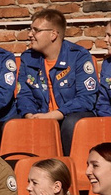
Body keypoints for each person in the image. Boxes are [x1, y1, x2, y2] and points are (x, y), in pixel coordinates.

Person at [11, 9, 98, 150]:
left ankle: (70, 167)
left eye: (36, 30)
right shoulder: (28, 58)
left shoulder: (79, 56)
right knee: (12, 124)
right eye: (30, 29)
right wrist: (30, 115)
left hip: (69, 115)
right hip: (40, 114)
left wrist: (55, 115)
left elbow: (87, 98)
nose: (29, 35)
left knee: (71, 123)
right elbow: (24, 94)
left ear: (53, 35)